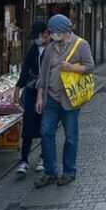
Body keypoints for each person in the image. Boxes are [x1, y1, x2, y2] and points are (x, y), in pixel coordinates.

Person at [34, 14, 95, 188]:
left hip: (70, 99)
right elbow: (43, 74)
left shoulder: (80, 45)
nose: (52, 35)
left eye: (54, 32)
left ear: (64, 31)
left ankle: (69, 172)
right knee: (46, 133)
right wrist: (40, 96)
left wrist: (72, 68)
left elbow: (90, 67)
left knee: (70, 137)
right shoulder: (50, 48)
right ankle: (50, 172)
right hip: (51, 98)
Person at [14, 20, 49, 176]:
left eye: (38, 36)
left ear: (45, 33)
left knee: (46, 127)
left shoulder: (53, 49)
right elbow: (25, 70)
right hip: (31, 92)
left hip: (48, 93)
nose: (37, 39)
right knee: (28, 126)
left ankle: (43, 157)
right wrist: (17, 87)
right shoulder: (33, 50)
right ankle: (24, 160)